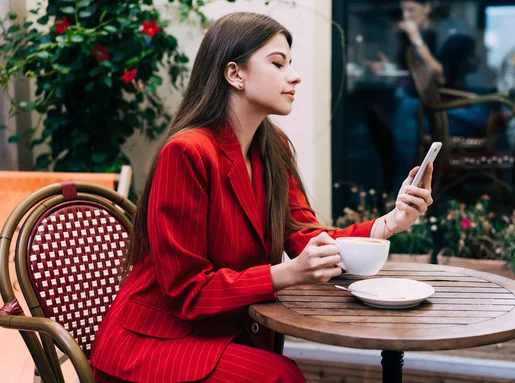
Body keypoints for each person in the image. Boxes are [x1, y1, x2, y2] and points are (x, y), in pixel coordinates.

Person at [90, 12, 434, 383]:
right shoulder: (187, 153)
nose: (294, 75)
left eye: (291, 64)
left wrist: (392, 222)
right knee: (281, 377)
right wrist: (287, 272)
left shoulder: (273, 148)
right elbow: (186, 291)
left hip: (224, 334)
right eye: (278, 63)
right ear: (235, 74)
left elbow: (305, 237)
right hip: (155, 344)